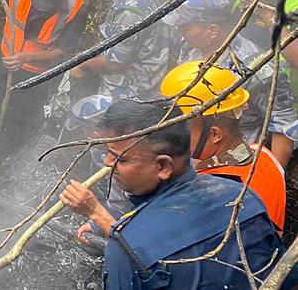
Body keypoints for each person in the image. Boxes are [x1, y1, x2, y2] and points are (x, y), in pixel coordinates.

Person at [61, 100, 285, 289]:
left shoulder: (127, 252)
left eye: (121, 158)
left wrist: (99, 217)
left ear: (163, 167)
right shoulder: (243, 196)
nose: (108, 163)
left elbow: (142, 245)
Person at [165, 0, 297, 167]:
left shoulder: (257, 70)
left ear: (212, 31)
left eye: (187, 28)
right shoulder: (190, 48)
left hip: (236, 159)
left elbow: (284, 130)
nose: (182, 34)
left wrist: (267, 178)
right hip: (190, 146)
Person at [159, 61, 286, 230]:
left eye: (182, 127)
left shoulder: (207, 189)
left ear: (215, 134)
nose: (174, 135)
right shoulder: (264, 154)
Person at [0, 0, 87, 150]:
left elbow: (62, 52)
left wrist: (26, 58)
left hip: (37, 76)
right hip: (5, 60)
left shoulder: (75, 8)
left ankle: (15, 154)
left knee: (23, 119)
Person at [72, 0, 173, 99]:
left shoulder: (129, 12)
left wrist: (82, 66)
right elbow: (113, 38)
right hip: (139, 77)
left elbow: (115, 63)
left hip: (132, 90)